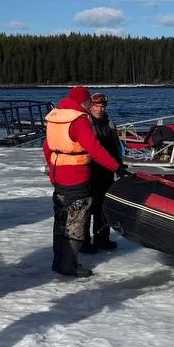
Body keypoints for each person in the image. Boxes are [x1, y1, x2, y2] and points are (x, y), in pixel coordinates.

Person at [44, 86, 124, 277]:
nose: (91, 106)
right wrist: (116, 167)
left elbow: (47, 148)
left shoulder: (56, 118)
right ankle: (69, 265)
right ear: (84, 102)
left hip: (59, 177)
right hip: (77, 178)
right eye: (89, 102)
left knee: (61, 221)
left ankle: (59, 262)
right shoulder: (79, 120)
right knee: (76, 221)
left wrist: (53, 170)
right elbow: (94, 149)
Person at [83, 92, 123, 253]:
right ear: (90, 106)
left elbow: (116, 145)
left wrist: (119, 164)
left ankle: (102, 238)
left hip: (107, 170)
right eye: (96, 106)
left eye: (102, 106)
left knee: (104, 207)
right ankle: (84, 242)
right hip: (90, 171)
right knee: (88, 208)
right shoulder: (86, 123)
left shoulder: (109, 122)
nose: (100, 109)